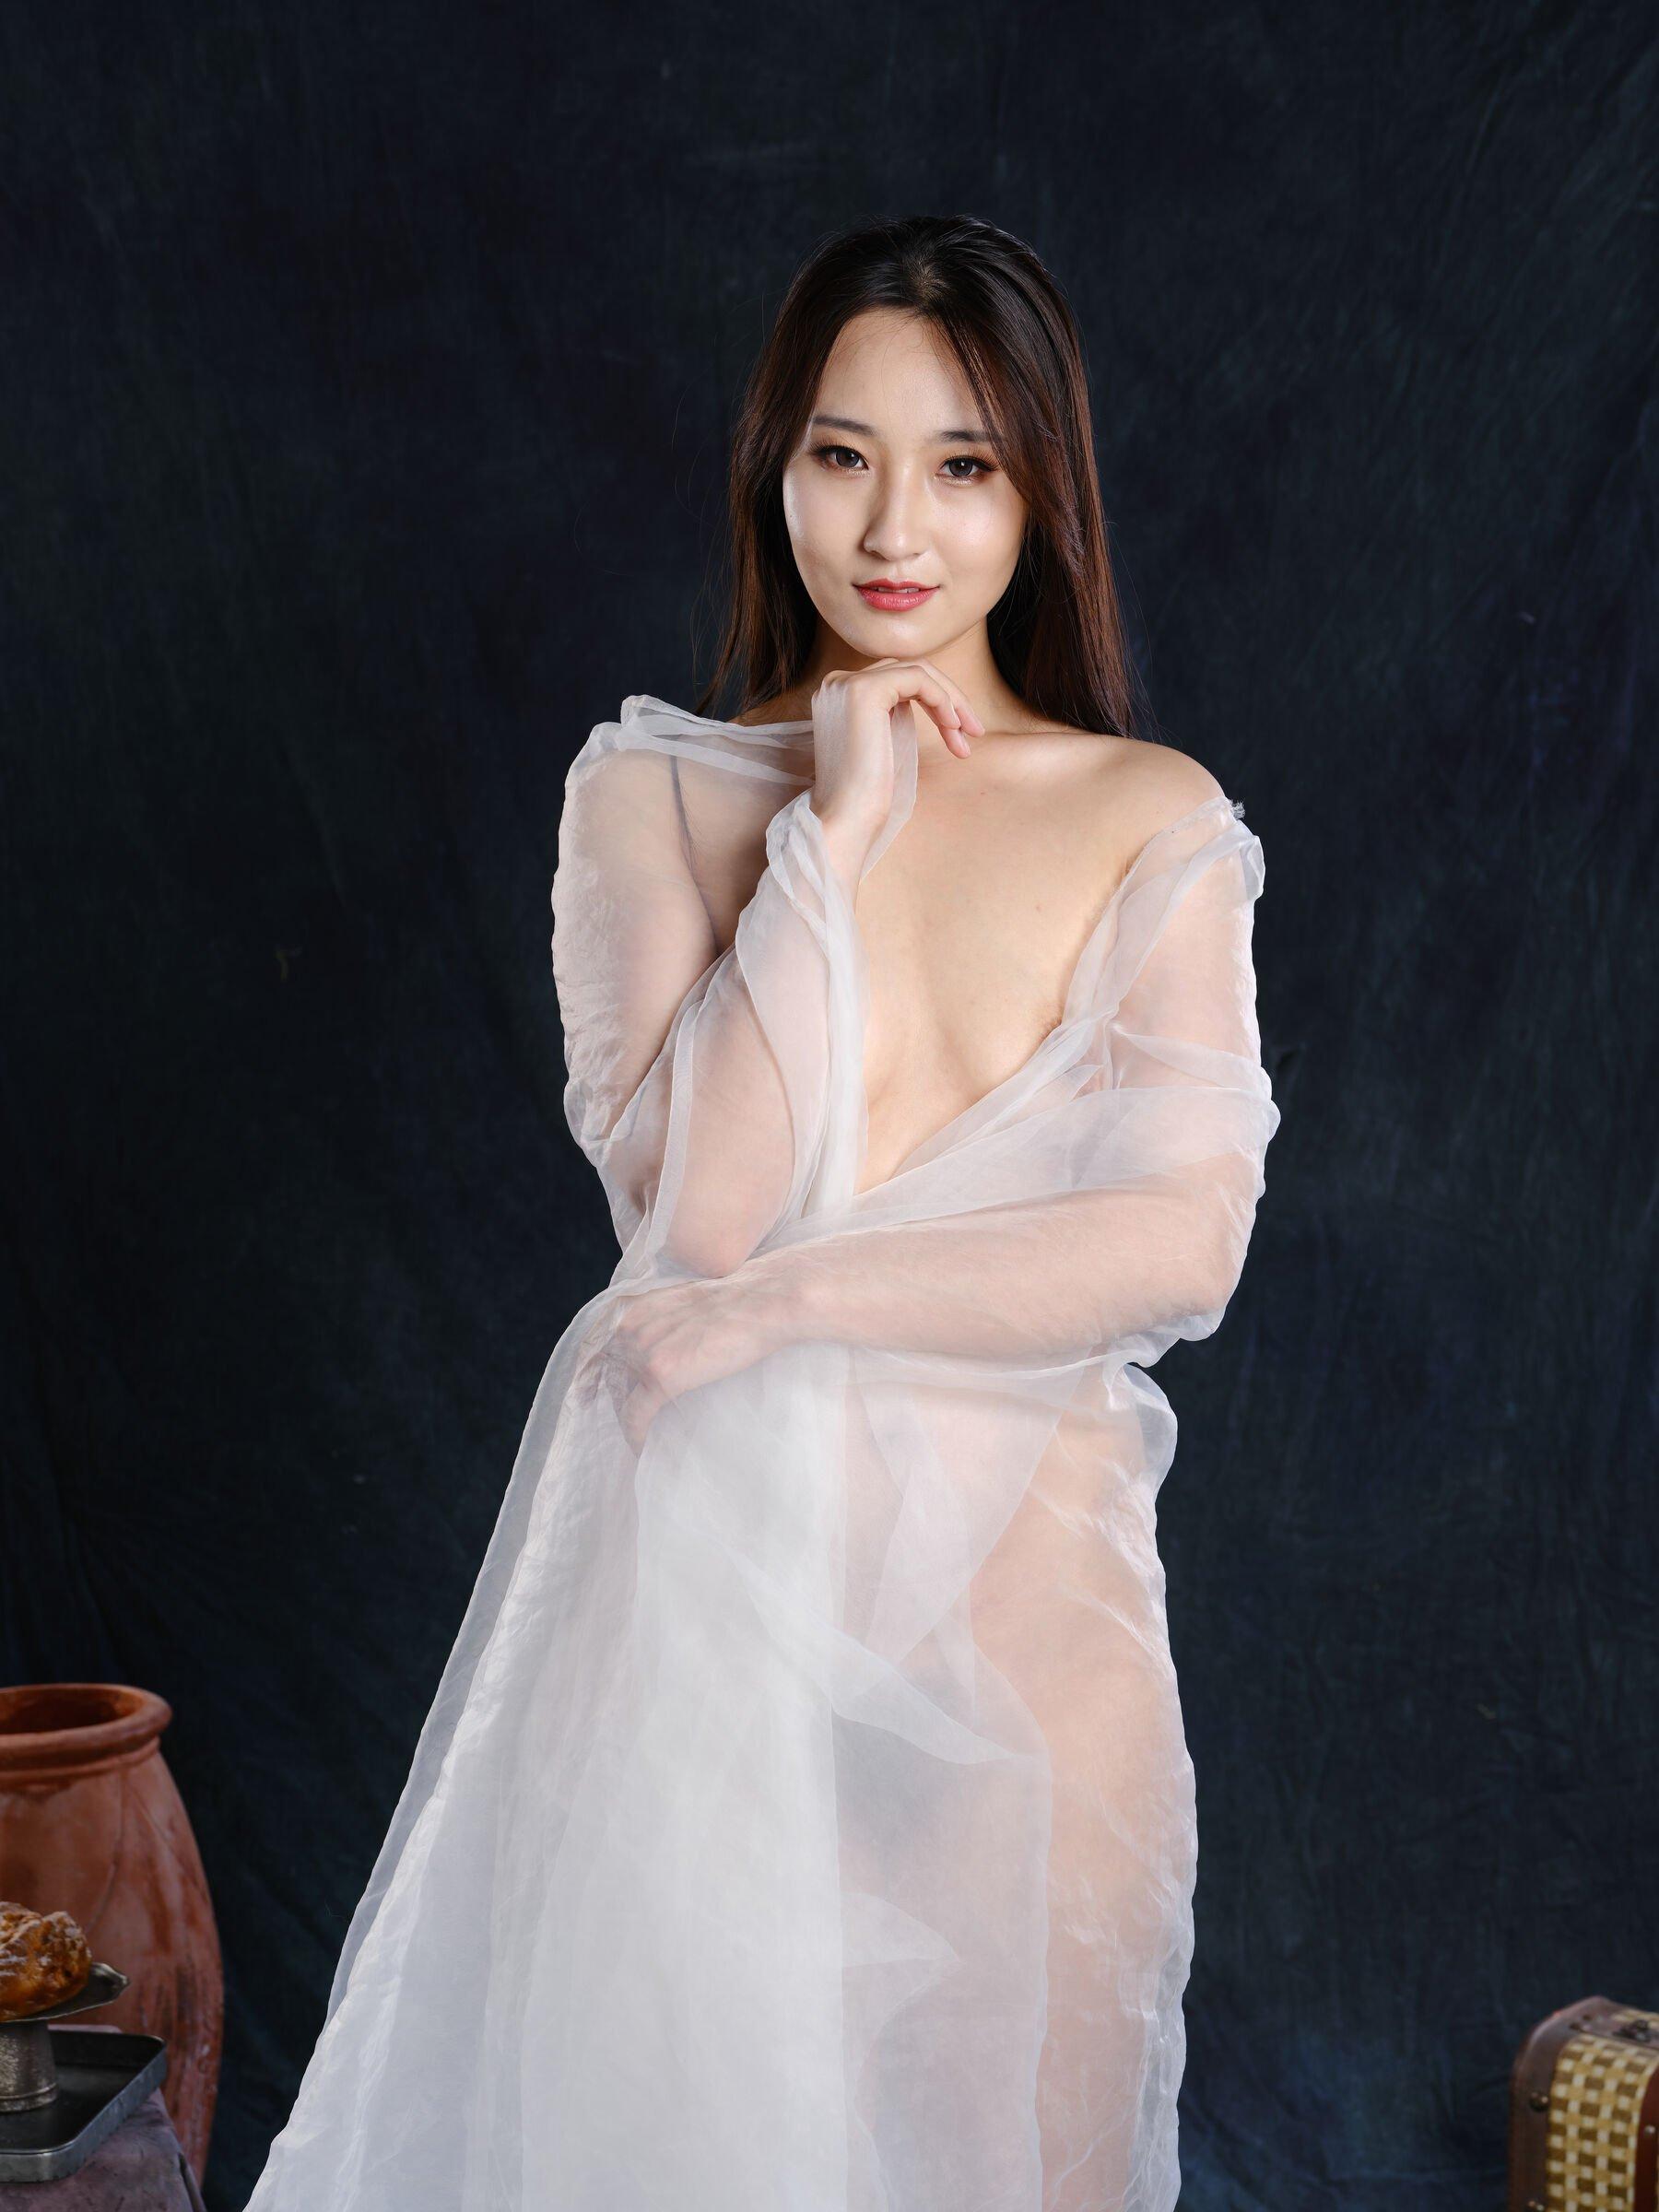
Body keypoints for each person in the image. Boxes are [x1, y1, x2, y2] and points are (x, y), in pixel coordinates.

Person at [242, 214, 1281, 2212]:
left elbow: (1184, 1243)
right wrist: (831, 841)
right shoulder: (650, 797)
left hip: (1029, 1654)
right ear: (772, 468)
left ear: (1041, 498)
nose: (895, 528)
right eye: (841, 455)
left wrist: (794, 1315)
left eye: (965, 466)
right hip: (712, 1642)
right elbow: (697, 1222)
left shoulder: (1150, 815)